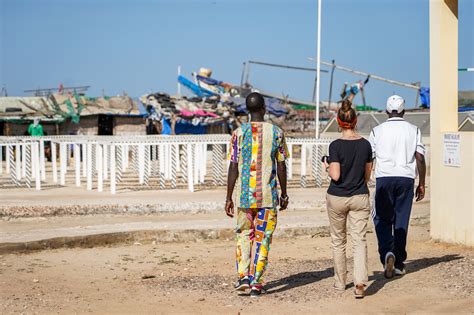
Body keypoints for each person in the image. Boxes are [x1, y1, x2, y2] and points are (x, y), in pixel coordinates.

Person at [225, 92, 289, 298]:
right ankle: (256, 283)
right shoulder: (276, 133)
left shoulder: (238, 133)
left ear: (247, 110)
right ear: (264, 109)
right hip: (268, 197)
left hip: (244, 198)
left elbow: (233, 166)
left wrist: (228, 197)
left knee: (243, 235)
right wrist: (284, 193)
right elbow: (281, 165)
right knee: (263, 239)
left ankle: (243, 277)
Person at [369, 95, 426, 279]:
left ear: (386, 111)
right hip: (406, 179)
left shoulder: (377, 130)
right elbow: (420, 157)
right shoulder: (414, 130)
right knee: (401, 221)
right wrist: (422, 183)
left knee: (381, 219)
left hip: (384, 179)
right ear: (404, 111)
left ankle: (387, 252)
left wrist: (366, 179)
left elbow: (370, 158)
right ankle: (399, 263)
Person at [324, 97, 373, 298]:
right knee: (359, 240)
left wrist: (326, 165)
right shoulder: (366, 145)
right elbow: (368, 175)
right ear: (355, 122)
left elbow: (335, 175)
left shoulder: (335, 145)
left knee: (338, 240)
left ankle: (340, 282)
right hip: (360, 196)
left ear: (339, 122)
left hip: (337, 197)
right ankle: (360, 282)